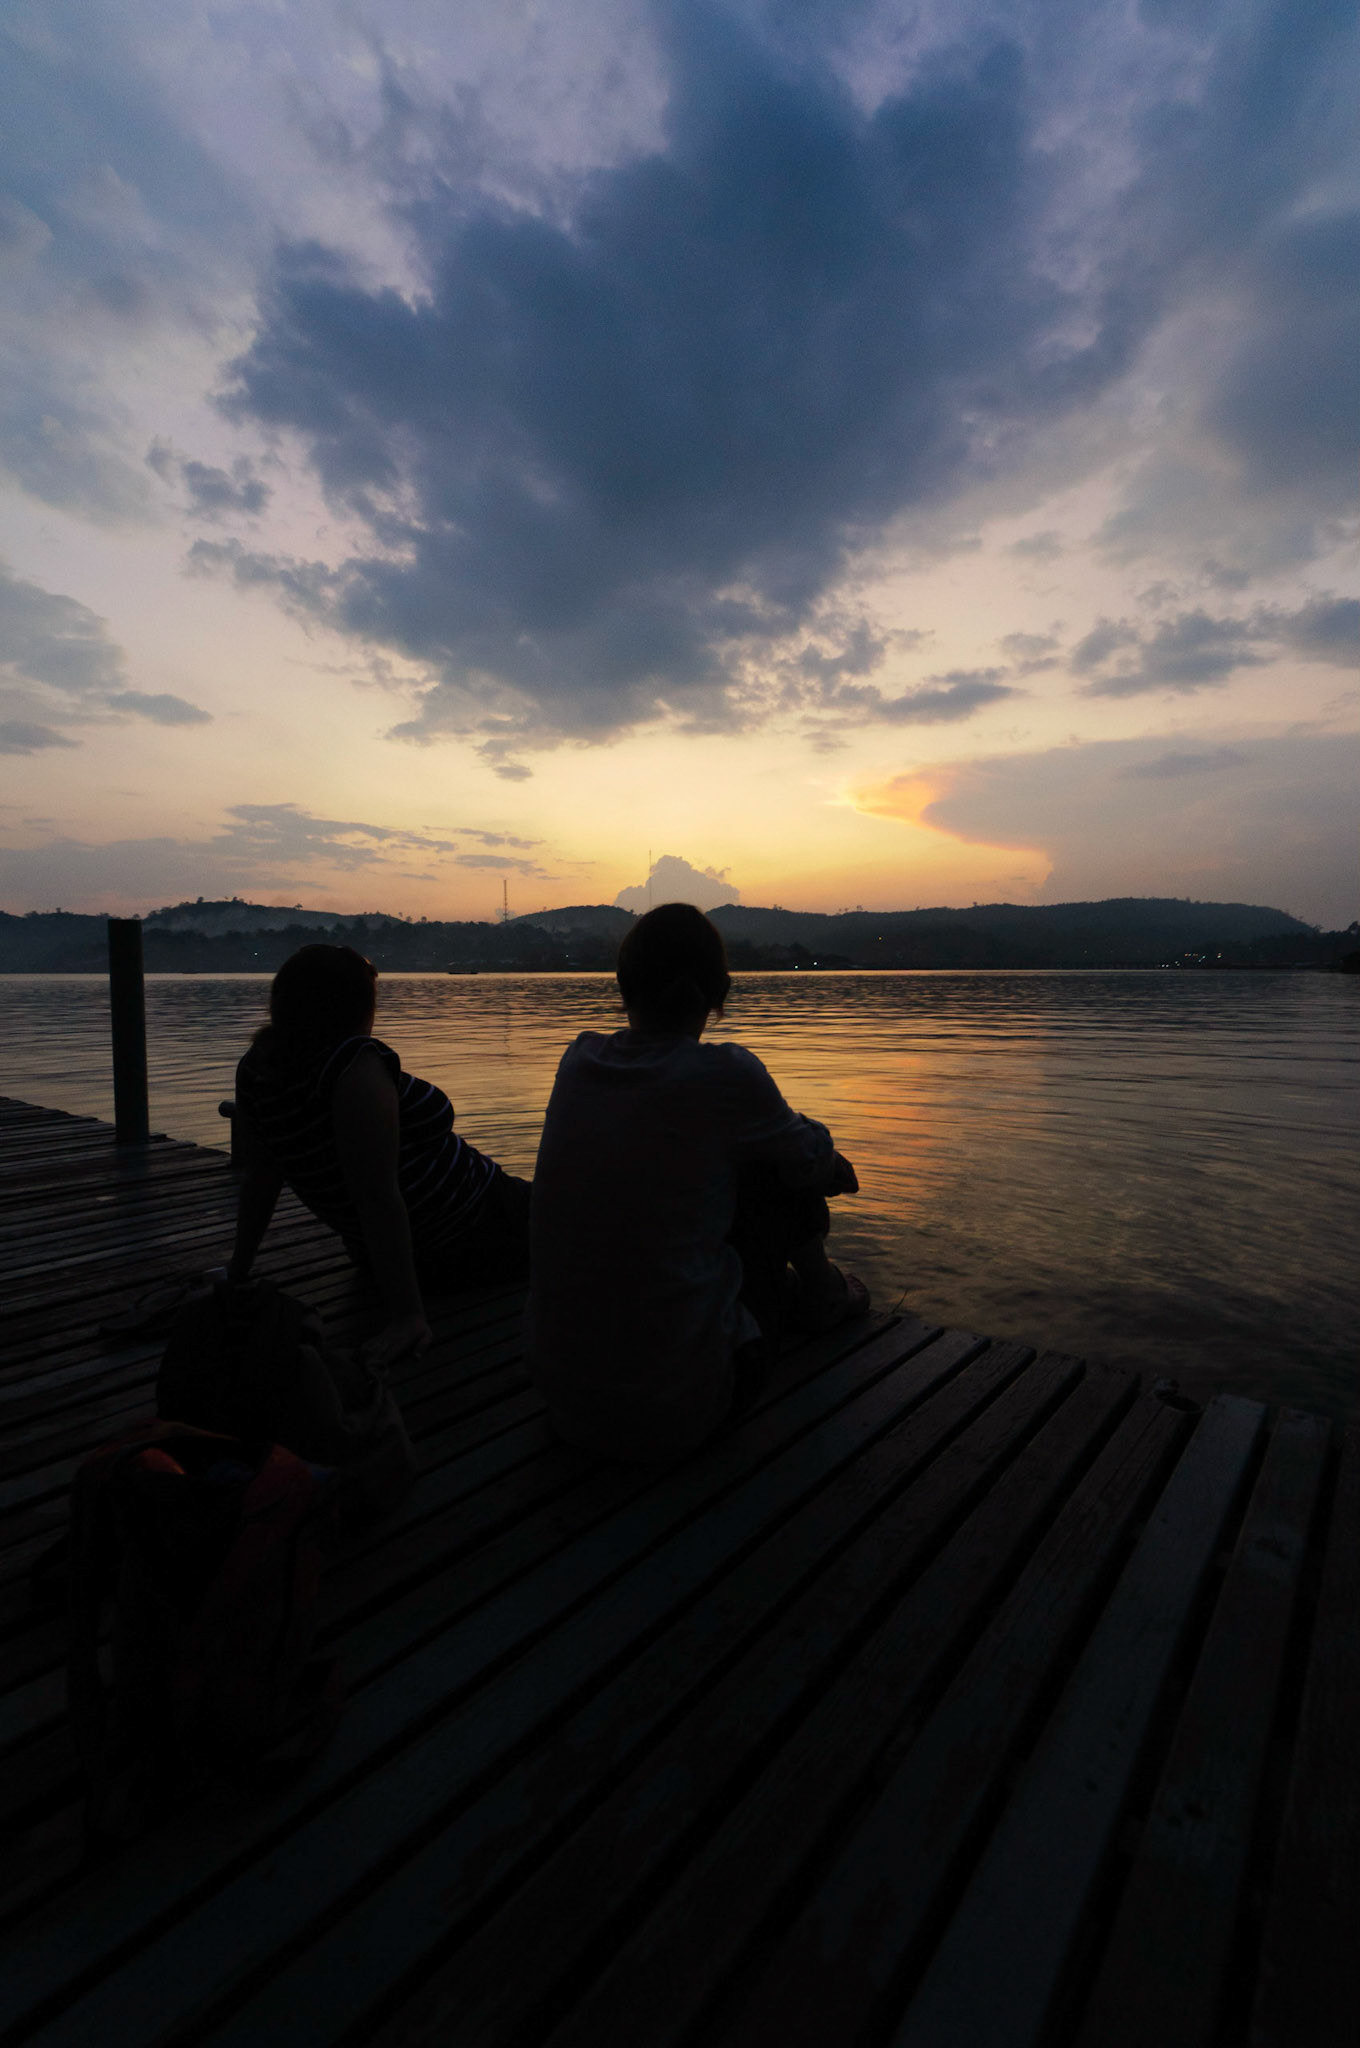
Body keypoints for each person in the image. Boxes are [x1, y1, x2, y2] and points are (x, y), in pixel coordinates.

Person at [526, 903, 869, 1463]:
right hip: (682, 1412)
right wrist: (824, 1161)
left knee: (727, 1156)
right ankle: (825, 1296)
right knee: (772, 1167)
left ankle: (796, 1292)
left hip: (566, 1402)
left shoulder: (578, 1060)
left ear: (622, 986)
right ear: (721, 992)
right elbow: (809, 1159)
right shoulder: (726, 1074)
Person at [227, 944, 530, 1366]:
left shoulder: (258, 1069)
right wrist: (407, 1316)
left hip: (397, 1252)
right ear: (353, 1007)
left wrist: (237, 1271)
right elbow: (377, 1197)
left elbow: (261, 1178)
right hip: (479, 1229)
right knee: (599, 1221)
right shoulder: (353, 1066)